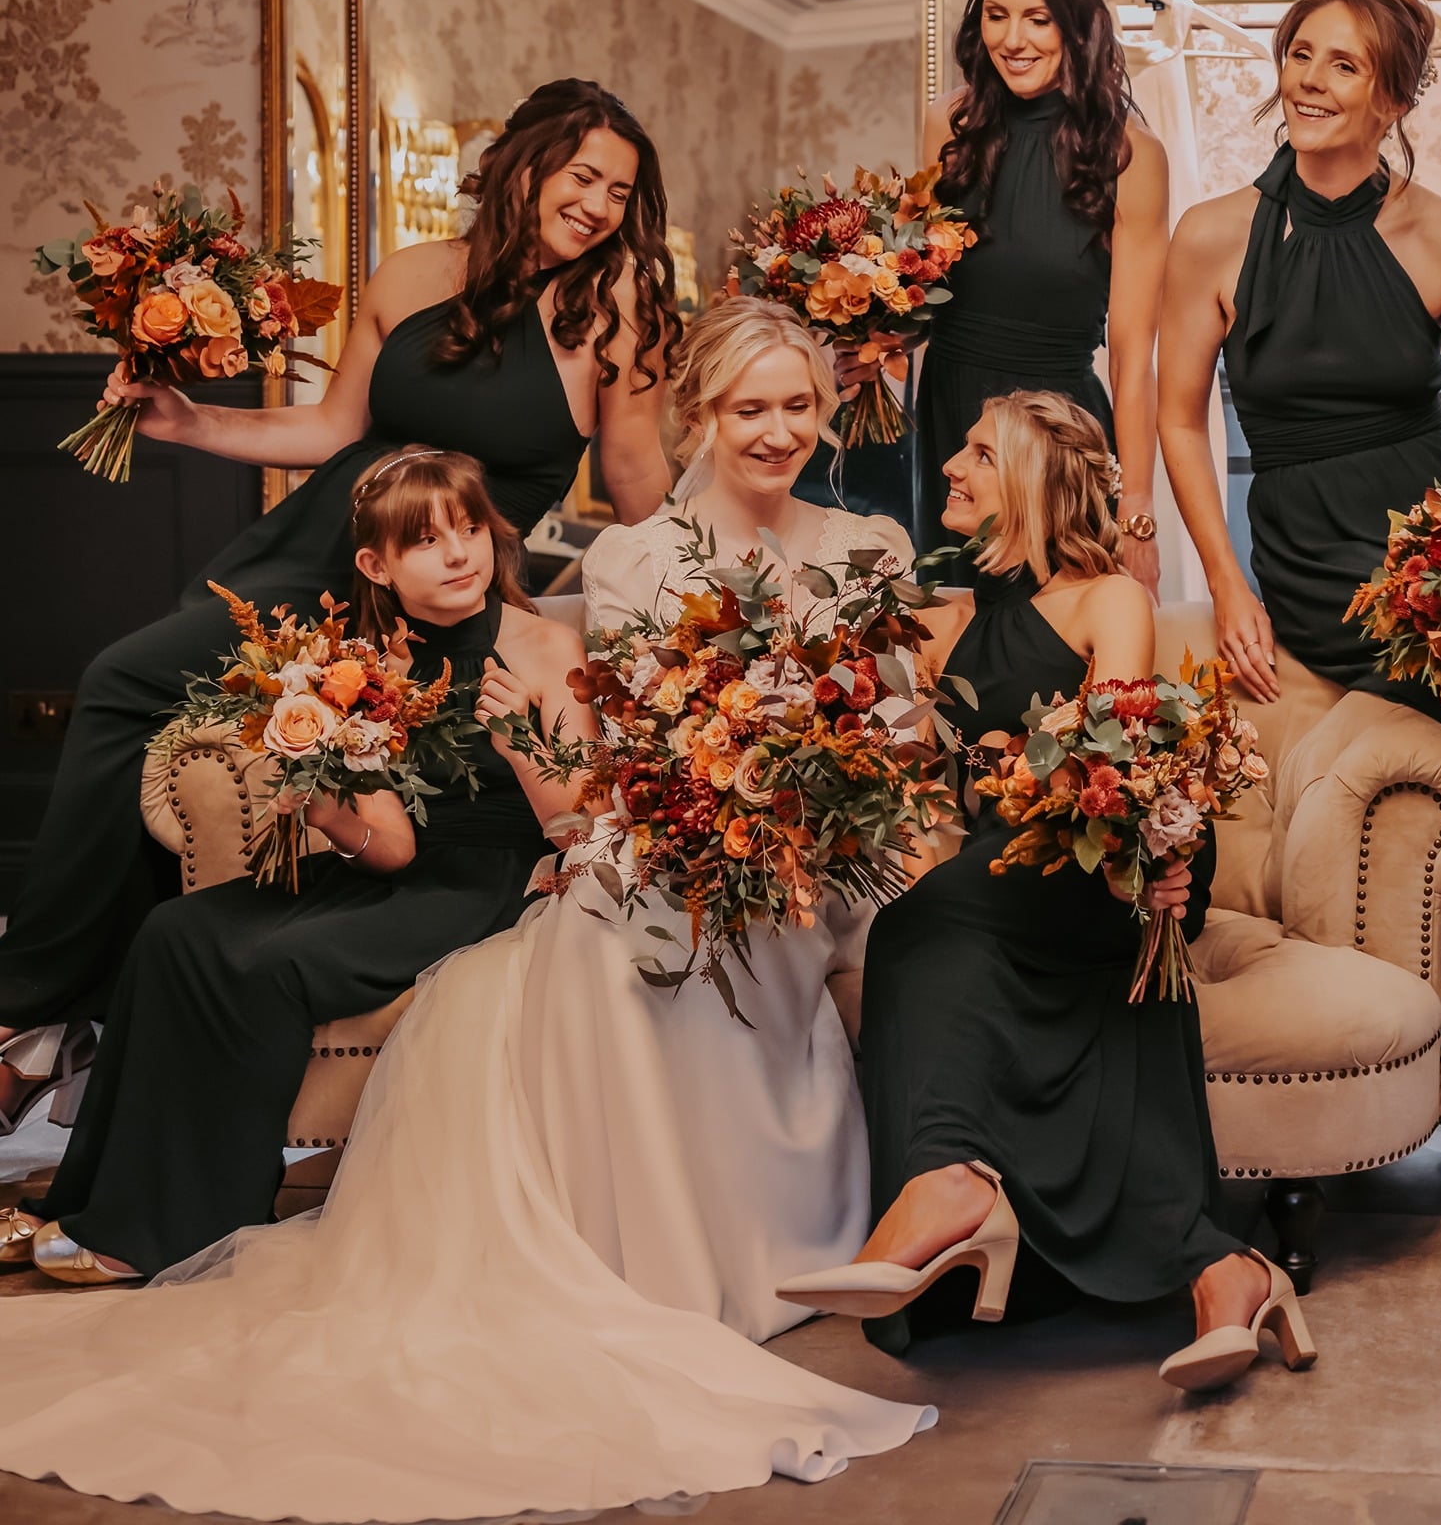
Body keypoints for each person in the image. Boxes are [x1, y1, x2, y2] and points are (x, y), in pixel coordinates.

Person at [0, 296, 933, 1521]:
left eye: (797, 405)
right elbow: (622, 758)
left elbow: (894, 729)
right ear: (701, 411)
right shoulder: (633, 557)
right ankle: (622, 1251)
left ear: (827, 410)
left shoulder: (869, 548)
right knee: (599, 940)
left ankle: (745, 1240)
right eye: (748, 406)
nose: (774, 429)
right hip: (672, 833)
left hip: (801, 858)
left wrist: (817, 768)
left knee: (621, 928)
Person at [0, 78, 681, 1131]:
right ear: (525, 163)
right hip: (305, 562)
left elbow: (641, 497)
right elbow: (331, 430)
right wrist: (190, 425)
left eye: (618, 191)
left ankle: (55, 1023)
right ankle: (41, 1015)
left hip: (438, 606)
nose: (595, 203)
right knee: (128, 686)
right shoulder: (413, 273)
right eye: (581, 174)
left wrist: (718, 554)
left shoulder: (611, 317)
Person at [780, 390, 1315, 1393]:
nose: (952, 466)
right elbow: (909, 769)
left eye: (979, 453)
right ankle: (1225, 1270)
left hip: (1117, 858)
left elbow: (1113, 760)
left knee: (919, 921)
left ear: (1032, 479)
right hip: (1001, 876)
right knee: (930, 915)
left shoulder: (1102, 597)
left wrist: (1004, 764)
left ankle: (945, 1183)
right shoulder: (937, 620)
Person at [1156, 0, 1441, 1152]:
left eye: (1341, 64)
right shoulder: (1210, 232)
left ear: (1393, 95)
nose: (1308, 79)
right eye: (1299, 53)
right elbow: (1171, 420)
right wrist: (1230, 584)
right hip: (1316, 554)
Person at [0, 447, 594, 1280]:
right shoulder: (363, 664)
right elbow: (391, 847)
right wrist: (319, 796)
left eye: (469, 530)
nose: (460, 554)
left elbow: (584, 828)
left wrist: (523, 741)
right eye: (426, 541)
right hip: (403, 873)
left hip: (494, 878)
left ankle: (181, 1229)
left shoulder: (544, 645)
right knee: (175, 929)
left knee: (269, 963)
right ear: (374, 564)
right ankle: (93, 1196)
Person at [914, 0, 1169, 591]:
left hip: (1059, 438)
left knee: (1058, 655)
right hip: (950, 418)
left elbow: (1133, 353)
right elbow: (917, 285)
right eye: (998, 15)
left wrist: (1135, 509)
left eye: (1039, 18)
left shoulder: (1131, 157)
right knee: (949, 646)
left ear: (1079, 24)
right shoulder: (948, 126)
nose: (1013, 40)